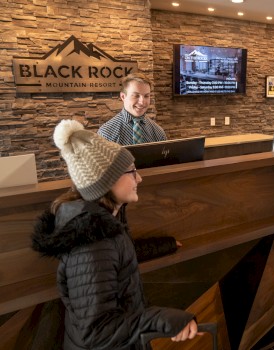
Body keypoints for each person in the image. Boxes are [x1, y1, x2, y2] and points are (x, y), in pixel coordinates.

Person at [32, 119, 197, 349]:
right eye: (131, 172)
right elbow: (97, 330)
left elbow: (119, 254)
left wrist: (165, 245)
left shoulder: (100, 225)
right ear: (105, 182)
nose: (139, 178)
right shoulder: (91, 242)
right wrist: (160, 320)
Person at [98, 73, 167, 145]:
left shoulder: (159, 133)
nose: (142, 102)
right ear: (123, 97)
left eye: (146, 96)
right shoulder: (105, 134)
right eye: (136, 95)